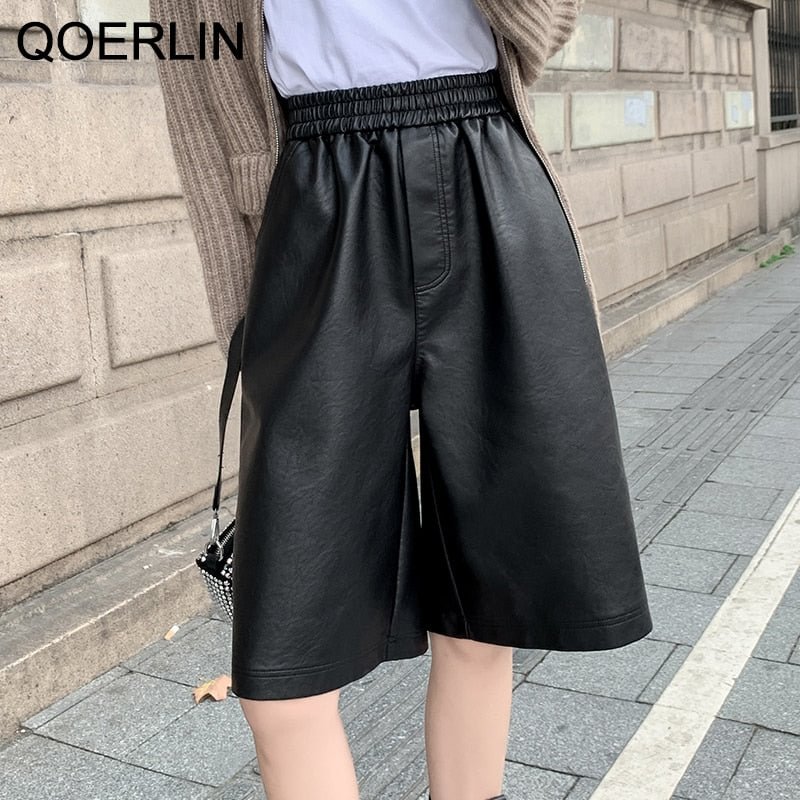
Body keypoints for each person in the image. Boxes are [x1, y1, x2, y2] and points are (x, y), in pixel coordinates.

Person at [150, 2, 654, 799]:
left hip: (487, 172)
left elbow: (548, 25)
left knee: (484, 615)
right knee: (282, 677)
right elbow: (196, 98)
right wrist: (252, 315)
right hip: (313, 208)